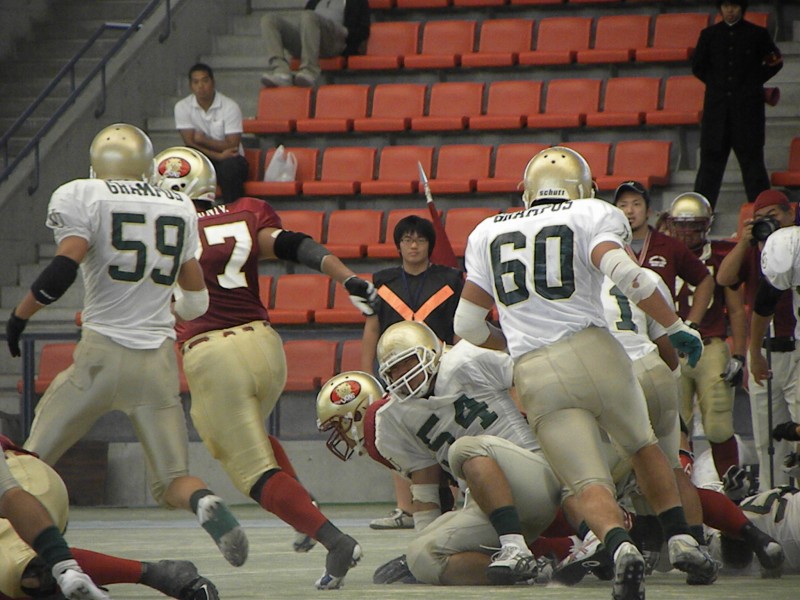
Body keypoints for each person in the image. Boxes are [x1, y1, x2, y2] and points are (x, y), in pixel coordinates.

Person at [454, 146, 717, 600]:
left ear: (526, 190)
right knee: (643, 445)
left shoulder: (486, 231)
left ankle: (619, 547)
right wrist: (674, 325)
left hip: (535, 370)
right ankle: (680, 537)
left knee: (585, 480)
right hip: (596, 351)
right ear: (583, 187)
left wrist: (514, 344)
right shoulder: (592, 212)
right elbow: (630, 276)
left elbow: (466, 325)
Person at [4, 124, 248, 569]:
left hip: (100, 358)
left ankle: (31, 558)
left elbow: (63, 267)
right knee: (173, 480)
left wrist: (20, 315)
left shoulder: (84, 195)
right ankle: (205, 502)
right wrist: (166, 304)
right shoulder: (178, 204)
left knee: (31, 463)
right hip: (157, 364)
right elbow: (197, 302)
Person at [153, 146, 376, 590]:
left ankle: (334, 540)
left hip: (214, 354)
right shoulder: (244, 212)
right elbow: (294, 245)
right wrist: (346, 277)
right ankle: (304, 511)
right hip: (266, 347)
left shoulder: (163, 227)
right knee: (251, 435)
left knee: (250, 469)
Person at [316, 321, 564, 586]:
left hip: (534, 477)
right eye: (394, 369)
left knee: (464, 449)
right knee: (420, 556)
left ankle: (515, 547)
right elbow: (425, 488)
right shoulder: (396, 414)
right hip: (485, 503)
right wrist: (424, 538)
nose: (402, 374)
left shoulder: (465, 359)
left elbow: (533, 379)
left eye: (408, 363)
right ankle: (533, 569)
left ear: (431, 352)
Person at [0, 435, 219, 600]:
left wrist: (64, 567)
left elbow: (9, 495)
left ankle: (160, 574)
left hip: (18, 477)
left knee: (24, 570)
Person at [360, 215, 464, 530]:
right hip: (397, 374)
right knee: (400, 436)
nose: (413, 245)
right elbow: (372, 328)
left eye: (420, 239)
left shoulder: (450, 279)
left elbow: (459, 327)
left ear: (430, 244)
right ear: (399, 245)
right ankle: (406, 508)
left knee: (448, 434)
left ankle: (456, 505)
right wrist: (366, 374)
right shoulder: (382, 282)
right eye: (407, 239)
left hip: (440, 369)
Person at [717, 189, 798, 490]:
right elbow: (724, 279)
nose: (769, 223)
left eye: (773, 216)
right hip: (764, 351)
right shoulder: (755, 249)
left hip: (796, 347)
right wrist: (745, 241)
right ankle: (773, 498)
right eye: (761, 219)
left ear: (791, 213)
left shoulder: (795, 245)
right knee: (767, 439)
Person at [666, 192, 747, 478]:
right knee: (674, 428)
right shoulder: (661, 254)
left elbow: (736, 310)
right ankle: (680, 488)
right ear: (671, 224)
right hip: (670, 349)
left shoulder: (720, 256)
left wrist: (739, 354)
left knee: (719, 424)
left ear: (707, 225)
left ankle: (731, 483)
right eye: (682, 225)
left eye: (694, 225)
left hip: (710, 346)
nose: (687, 232)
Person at [692, 0, 783, 208]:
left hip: (748, 113)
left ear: (742, 8)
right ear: (720, 9)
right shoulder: (709, 35)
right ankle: (700, 214)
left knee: (753, 165)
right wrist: (717, 83)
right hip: (717, 113)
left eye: (734, 6)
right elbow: (698, 66)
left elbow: (775, 62)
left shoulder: (757, 34)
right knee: (709, 166)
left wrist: (753, 81)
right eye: (725, 6)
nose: (730, 11)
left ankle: (763, 212)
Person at [613, 181, 715, 323]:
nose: (629, 211)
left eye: (636, 204)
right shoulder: (606, 245)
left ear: (648, 210)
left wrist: (692, 323)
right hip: (619, 328)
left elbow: (705, 280)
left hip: (662, 329)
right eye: (623, 205)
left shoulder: (670, 246)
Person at [174, 63, 249, 205]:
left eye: (205, 81)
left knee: (229, 167)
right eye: (196, 82)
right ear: (190, 86)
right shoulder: (182, 107)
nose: (201, 86)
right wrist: (218, 155)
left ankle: (234, 212)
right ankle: (197, 213)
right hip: (203, 158)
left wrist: (203, 140)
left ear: (213, 82)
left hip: (232, 159)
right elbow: (190, 143)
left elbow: (232, 145)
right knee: (186, 163)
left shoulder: (230, 107)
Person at [260, 0, 371, 88]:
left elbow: (364, 31)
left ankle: (309, 70)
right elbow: (303, 24)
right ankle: (281, 71)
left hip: (334, 41)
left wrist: (345, 32)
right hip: (309, 40)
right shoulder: (314, 1)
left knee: (309, 16)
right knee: (269, 20)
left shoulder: (357, 1)